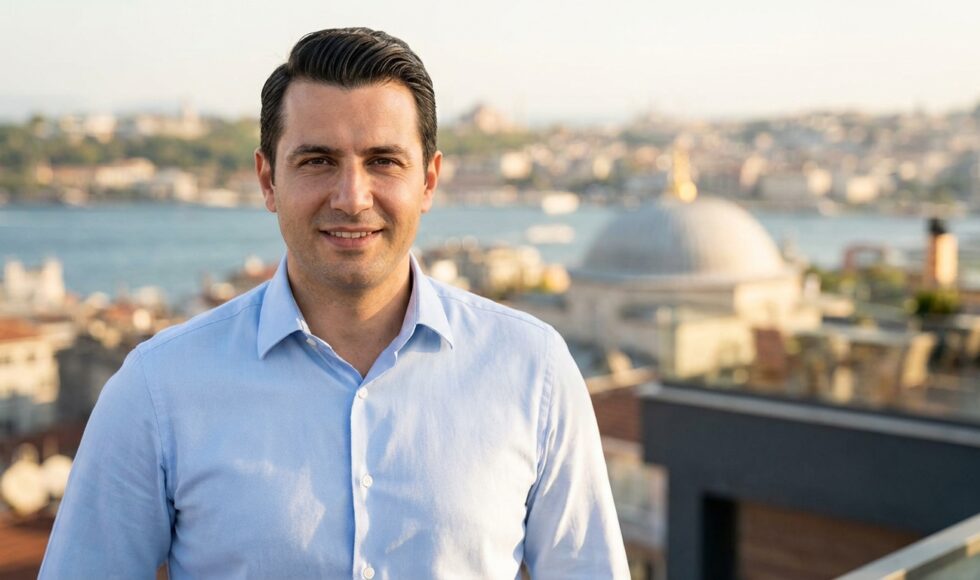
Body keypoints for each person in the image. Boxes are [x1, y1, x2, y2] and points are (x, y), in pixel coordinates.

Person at [40, 28, 629, 579]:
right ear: (268, 181)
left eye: (383, 161)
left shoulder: (534, 371)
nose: (351, 198)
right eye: (318, 161)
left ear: (428, 181)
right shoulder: (157, 389)